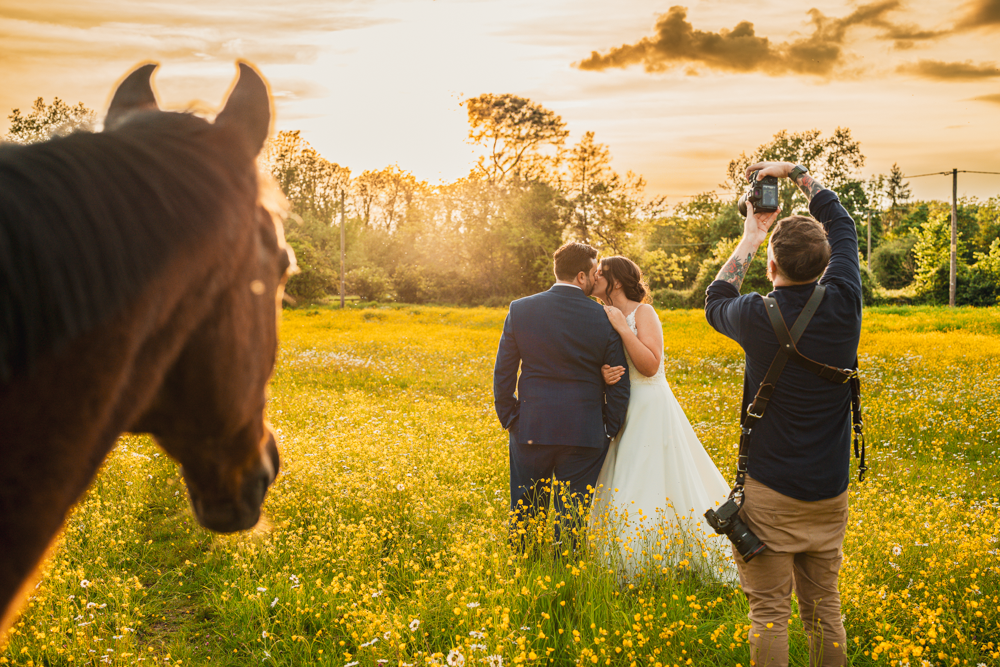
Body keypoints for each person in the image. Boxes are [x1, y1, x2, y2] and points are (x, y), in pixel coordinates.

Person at [704, 161, 863, 667]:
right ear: (825, 264)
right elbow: (842, 225)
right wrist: (797, 172)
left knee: (769, 613)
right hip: (829, 491)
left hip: (770, 491)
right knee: (825, 610)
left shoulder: (754, 314)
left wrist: (752, 233)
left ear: (772, 266)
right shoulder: (844, 302)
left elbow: (715, 298)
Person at [588, 256, 737, 583]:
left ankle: (663, 558)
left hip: (650, 404)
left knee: (652, 477)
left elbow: (651, 364)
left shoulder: (643, 313)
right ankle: (624, 557)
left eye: (600, 272)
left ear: (615, 281)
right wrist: (603, 373)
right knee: (624, 476)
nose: (594, 276)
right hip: (621, 406)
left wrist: (622, 328)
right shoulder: (600, 313)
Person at [492, 242, 631, 552]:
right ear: (581, 276)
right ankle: (566, 575)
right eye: (595, 272)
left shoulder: (521, 308)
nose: (598, 279)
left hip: (531, 426)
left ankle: (525, 573)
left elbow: (503, 372)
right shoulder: (604, 317)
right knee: (572, 519)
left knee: (526, 512)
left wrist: (511, 418)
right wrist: (609, 425)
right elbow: (618, 380)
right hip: (585, 431)